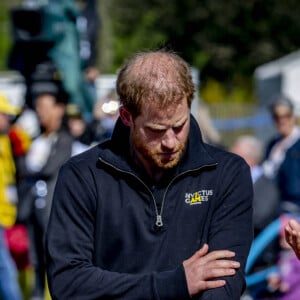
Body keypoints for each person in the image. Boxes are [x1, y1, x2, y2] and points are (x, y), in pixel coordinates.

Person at [45, 49, 253, 299]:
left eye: (179, 126)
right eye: (156, 129)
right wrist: (173, 283)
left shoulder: (227, 173)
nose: (170, 142)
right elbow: (68, 284)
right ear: (126, 117)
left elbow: (223, 283)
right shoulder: (82, 176)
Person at [19, 83, 88, 300]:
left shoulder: (65, 141)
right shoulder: (37, 140)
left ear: (59, 108)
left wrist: (30, 168)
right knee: (35, 260)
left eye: (44, 106)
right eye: (38, 107)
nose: (40, 111)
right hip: (34, 211)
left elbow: (48, 168)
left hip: (53, 213)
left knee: (53, 261)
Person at [230, 135, 280, 237]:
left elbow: (260, 217)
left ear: (249, 159)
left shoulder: (266, 185)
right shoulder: (233, 182)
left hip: (258, 247)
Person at [0, 92, 23, 300]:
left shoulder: (8, 140)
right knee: (4, 267)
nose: (8, 120)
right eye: (4, 115)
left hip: (5, 216)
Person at [263, 94, 300, 213]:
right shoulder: (271, 144)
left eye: (286, 116)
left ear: (293, 117)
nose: (282, 121)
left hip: (293, 207)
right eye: (277, 117)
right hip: (272, 206)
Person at [267, 215, 300, 300]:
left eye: (285, 239)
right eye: (281, 239)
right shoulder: (282, 256)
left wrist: (288, 283)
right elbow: (281, 270)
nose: (283, 242)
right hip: (285, 295)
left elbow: (297, 274)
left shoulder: (296, 258)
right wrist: (276, 278)